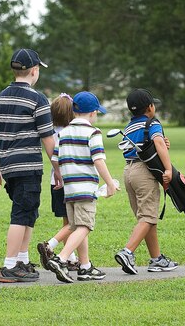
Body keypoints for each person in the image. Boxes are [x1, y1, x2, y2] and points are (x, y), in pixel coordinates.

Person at [0, 48, 58, 283]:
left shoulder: (0, 98)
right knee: (20, 214)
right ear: (35, 71)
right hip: (28, 165)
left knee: (29, 211)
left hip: (8, 166)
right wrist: (57, 167)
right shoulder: (37, 99)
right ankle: (9, 266)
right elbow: (48, 137)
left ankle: (22, 260)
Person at [44, 92, 119, 283]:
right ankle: (61, 259)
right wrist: (110, 183)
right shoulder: (93, 133)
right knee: (85, 226)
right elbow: (98, 160)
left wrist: (62, 178)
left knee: (75, 225)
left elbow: (55, 159)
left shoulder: (63, 133)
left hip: (69, 189)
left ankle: (85, 268)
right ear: (93, 113)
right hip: (86, 188)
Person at [114, 88, 179, 274]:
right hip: (144, 172)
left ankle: (156, 259)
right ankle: (127, 252)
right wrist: (167, 169)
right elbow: (157, 143)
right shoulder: (152, 123)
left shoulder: (130, 126)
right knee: (148, 217)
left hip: (128, 171)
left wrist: (161, 144)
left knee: (146, 218)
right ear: (150, 107)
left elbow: (146, 145)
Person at [36, 94, 81, 272]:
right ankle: (50, 246)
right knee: (77, 222)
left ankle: (71, 259)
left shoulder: (51, 134)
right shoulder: (72, 133)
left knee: (67, 221)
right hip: (72, 181)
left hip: (54, 180)